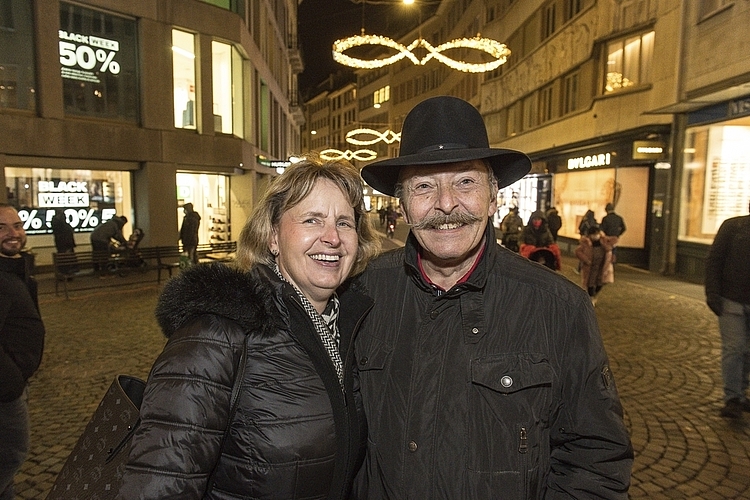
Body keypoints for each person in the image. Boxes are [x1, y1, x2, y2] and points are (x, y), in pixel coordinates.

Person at [356, 96, 632, 498]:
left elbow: (596, 458)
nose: (446, 204)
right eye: (424, 186)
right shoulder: (364, 292)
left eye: (465, 181)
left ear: (493, 197)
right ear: (403, 204)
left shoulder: (559, 307)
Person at [118, 157, 381, 499]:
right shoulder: (218, 334)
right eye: (312, 220)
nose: (331, 237)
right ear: (273, 236)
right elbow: (159, 483)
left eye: (344, 223)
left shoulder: (349, 330)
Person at [0, 204, 46, 500]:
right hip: (5, 390)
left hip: (14, 382)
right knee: (11, 455)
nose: (13, 233)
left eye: (17, 225)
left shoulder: (15, 271)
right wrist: (11, 381)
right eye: (1, 228)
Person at [705, 202, 750, 419]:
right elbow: (715, 259)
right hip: (731, 300)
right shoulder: (733, 227)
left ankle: (741, 393)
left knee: (747, 351)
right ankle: (732, 397)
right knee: (735, 348)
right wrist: (713, 294)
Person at [575, 224, 617, 306]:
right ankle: (591, 297)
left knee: (600, 282)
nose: (595, 236)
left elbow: (614, 241)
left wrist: (610, 254)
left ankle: (594, 295)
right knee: (590, 282)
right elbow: (578, 252)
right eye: (593, 234)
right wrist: (586, 260)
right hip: (590, 267)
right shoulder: (586, 243)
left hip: (602, 266)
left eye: (597, 234)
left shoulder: (603, 241)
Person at [50, 209, 77, 275]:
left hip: (60, 243)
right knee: (68, 259)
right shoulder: (65, 226)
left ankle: (64, 273)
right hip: (67, 243)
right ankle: (69, 273)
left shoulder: (55, 223)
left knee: (63, 260)